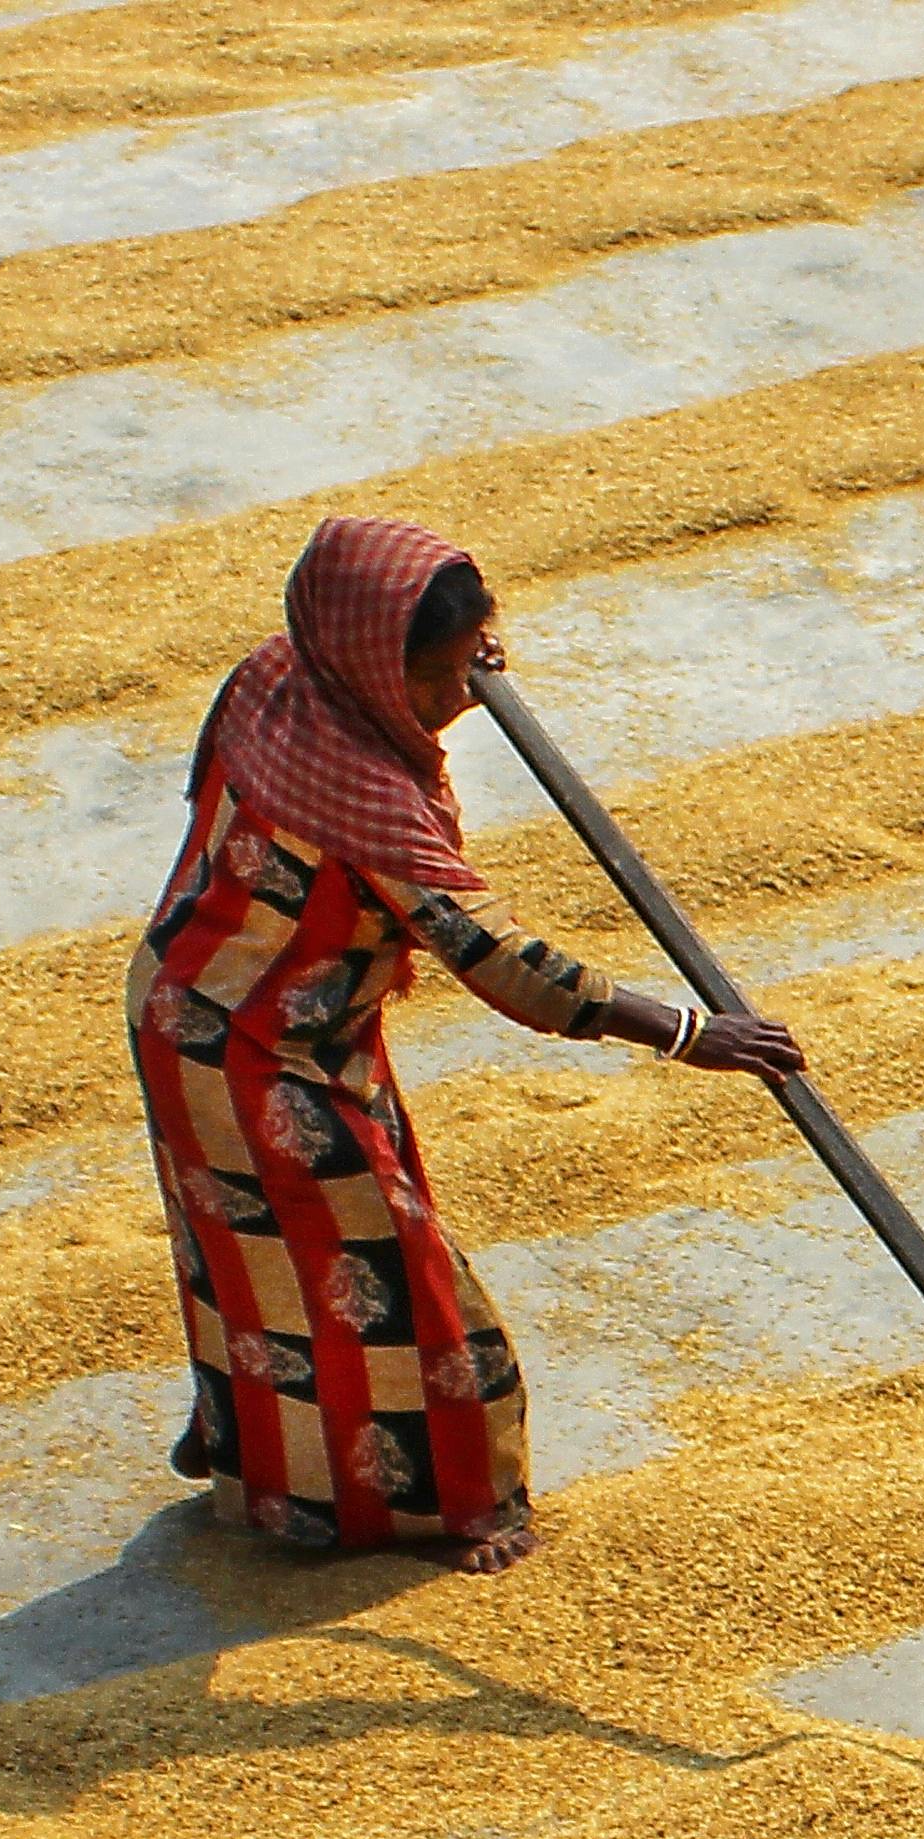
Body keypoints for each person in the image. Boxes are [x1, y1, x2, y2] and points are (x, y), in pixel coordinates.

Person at [129, 513, 803, 1576]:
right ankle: (454, 1503)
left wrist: (458, 656)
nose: (462, 701)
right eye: (439, 679)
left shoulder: (278, 678)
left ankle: (252, 1445)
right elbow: (502, 964)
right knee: (389, 1273)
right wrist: (685, 1031)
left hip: (208, 1006)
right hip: (256, 1055)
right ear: (368, 664)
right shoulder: (365, 810)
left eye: (471, 666)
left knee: (256, 1260)